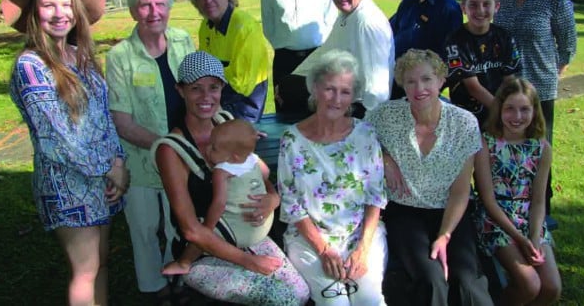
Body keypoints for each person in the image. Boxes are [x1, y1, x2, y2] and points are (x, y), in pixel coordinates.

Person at [4, 0, 129, 305]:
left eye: (66, 5)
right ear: (34, 12)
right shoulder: (31, 66)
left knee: (101, 265)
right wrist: (109, 167)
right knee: (85, 271)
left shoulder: (82, 58)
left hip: (102, 182)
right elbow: (54, 138)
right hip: (66, 186)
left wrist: (118, 161)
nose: (60, 14)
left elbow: (105, 116)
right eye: (48, 6)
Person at [152, 51, 309, 305]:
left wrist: (272, 197)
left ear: (222, 88)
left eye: (213, 87)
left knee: (300, 293)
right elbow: (192, 231)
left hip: (247, 234)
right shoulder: (171, 150)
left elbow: (254, 170)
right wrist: (250, 262)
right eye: (196, 89)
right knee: (283, 298)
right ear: (180, 91)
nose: (206, 97)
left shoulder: (227, 124)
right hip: (202, 252)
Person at [365, 49, 493, 306]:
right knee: (431, 277)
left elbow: (460, 191)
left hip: (451, 211)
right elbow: (356, 137)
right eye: (410, 81)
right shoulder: (386, 116)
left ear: (441, 81)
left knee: (467, 280)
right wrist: (384, 158)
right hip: (405, 210)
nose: (419, 88)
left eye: (426, 79)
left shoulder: (463, 123)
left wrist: (444, 236)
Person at [105, 0, 194, 303]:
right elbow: (123, 121)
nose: (154, 12)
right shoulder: (119, 57)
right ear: (132, 9)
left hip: (184, 157)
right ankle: (153, 289)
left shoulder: (184, 40)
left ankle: (181, 280)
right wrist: (168, 147)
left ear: (170, 6)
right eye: (144, 5)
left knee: (180, 223)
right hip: (141, 160)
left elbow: (200, 95)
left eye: (161, 4)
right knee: (144, 229)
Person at [278, 49, 388, 306]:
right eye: (329, 89)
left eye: (345, 92)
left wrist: (362, 250)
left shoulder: (365, 134)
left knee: (369, 301)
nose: (336, 99)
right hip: (310, 240)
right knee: (335, 303)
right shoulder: (292, 140)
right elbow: (292, 205)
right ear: (314, 88)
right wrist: (324, 250)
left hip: (361, 236)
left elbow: (375, 197)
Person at [494, 0, 577, 214]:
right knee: (508, 148)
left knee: (539, 149)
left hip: (540, 90)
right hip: (506, 89)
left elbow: (568, 46)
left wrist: (552, 75)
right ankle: (509, 206)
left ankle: (543, 210)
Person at [473, 78, 562, 305]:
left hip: (530, 220)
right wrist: (519, 238)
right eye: (510, 109)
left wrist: (533, 236)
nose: (517, 116)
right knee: (529, 284)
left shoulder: (541, 147)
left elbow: (539, 201)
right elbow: (488, 200)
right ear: (499, 109)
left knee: (551, 287)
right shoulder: (487, 144)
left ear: (534, 111)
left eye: (524, 109)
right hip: (496, 221)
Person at [279, 0, 394, 118]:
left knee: (292, 93)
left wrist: (368, 127)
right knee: (288, 86)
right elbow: (325, 52)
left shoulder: (367, 22)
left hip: (359, 107)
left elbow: (377, 86)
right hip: (343, 91)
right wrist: (292, 78)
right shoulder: (346, 15)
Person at [162, 119, 274, 276]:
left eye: (213, 148)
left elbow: (219, 203)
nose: (208, 150)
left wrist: (208, 227)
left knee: (202, 233)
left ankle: (184, 262)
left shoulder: (221, 170)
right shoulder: (253, 158)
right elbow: (266, 173)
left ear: (233, 157)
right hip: (262, 225)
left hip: (237, 230)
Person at [260, 0, 338, 112]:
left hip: (316, 56)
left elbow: (331, 17)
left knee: (318, 108)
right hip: (284, 59)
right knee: (285, 108)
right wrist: (284, 44)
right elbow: (268, 25)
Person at [190, 0, 270, 122]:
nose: (208, 0)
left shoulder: (245, 26)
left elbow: (242, 85)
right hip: (218, 96)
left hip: (244, 103)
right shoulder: (205, 26)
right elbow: (205, 70)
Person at [444, 0, 520, 127]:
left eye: (486, 4)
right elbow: (473, 87)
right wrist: (501, 110)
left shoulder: (504, 37)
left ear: (496, 7)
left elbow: (509, 79)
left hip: (499, 114)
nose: (480, 10)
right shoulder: (455, 40)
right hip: (466, 118)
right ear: (463, 8)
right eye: (473, 5)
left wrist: (505, 110)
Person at [390, 0, 463, 98]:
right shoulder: (408, 2)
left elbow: (451, 59)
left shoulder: (449, 9)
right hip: (396, 87)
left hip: (422, 93)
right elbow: (389, 36)